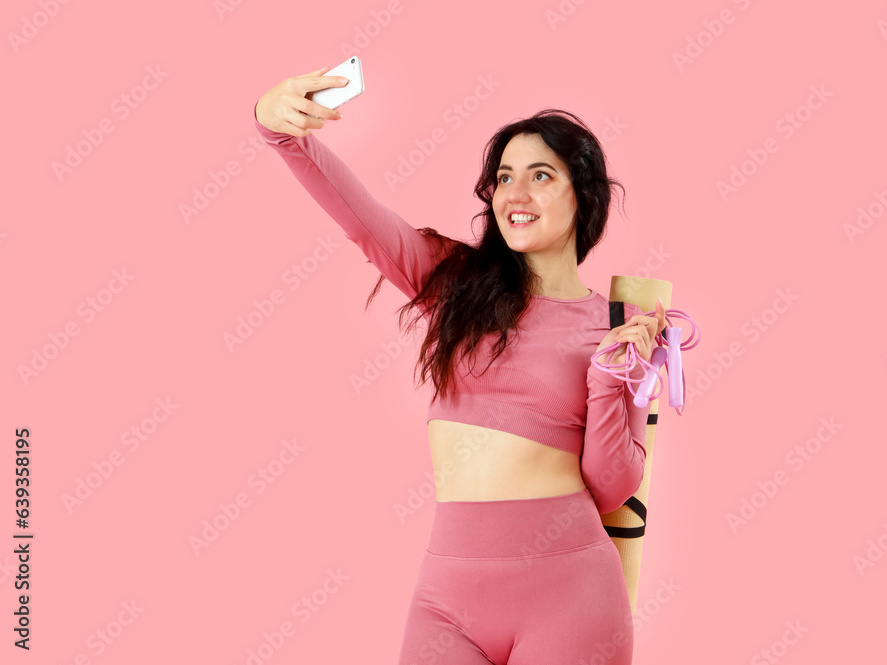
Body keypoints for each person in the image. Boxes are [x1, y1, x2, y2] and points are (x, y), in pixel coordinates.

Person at [254, 65, 666, 665]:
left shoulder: (616, 325)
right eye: (504, 178)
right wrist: (280, 133)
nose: (515, 195)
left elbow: (612, 488)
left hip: (569, 591)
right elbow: (362, 221)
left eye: (541, 176)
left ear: (584, 195)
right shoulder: (454, 285)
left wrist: (609, 378)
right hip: (447, 596)